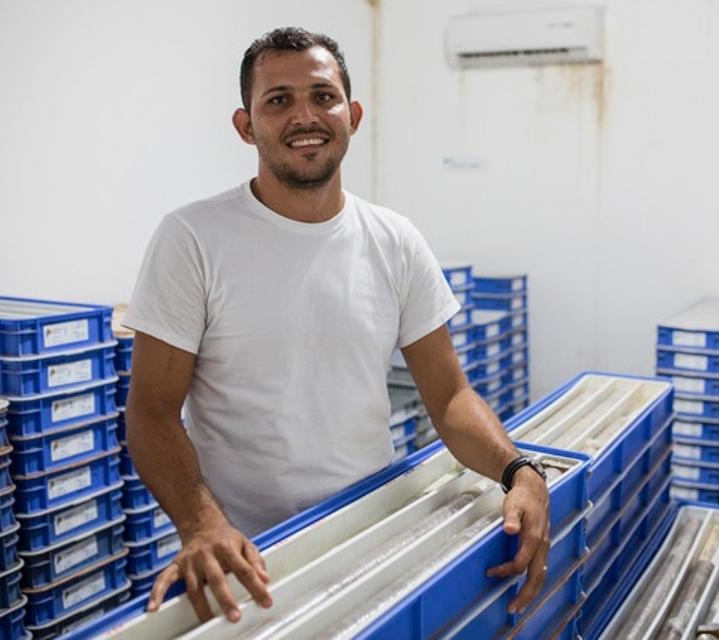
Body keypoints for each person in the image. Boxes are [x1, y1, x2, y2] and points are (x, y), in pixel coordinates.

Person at [124, 27, 550, 625]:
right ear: (246, 126)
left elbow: (449, 395)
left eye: (322, 96)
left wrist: (519, 470)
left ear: (351, 115)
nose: (305, 116)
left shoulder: (396, 240)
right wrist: (204, 527)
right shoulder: (193, 239)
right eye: (278, 100)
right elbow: (150, 412)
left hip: (372, 533)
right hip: (248, 558)